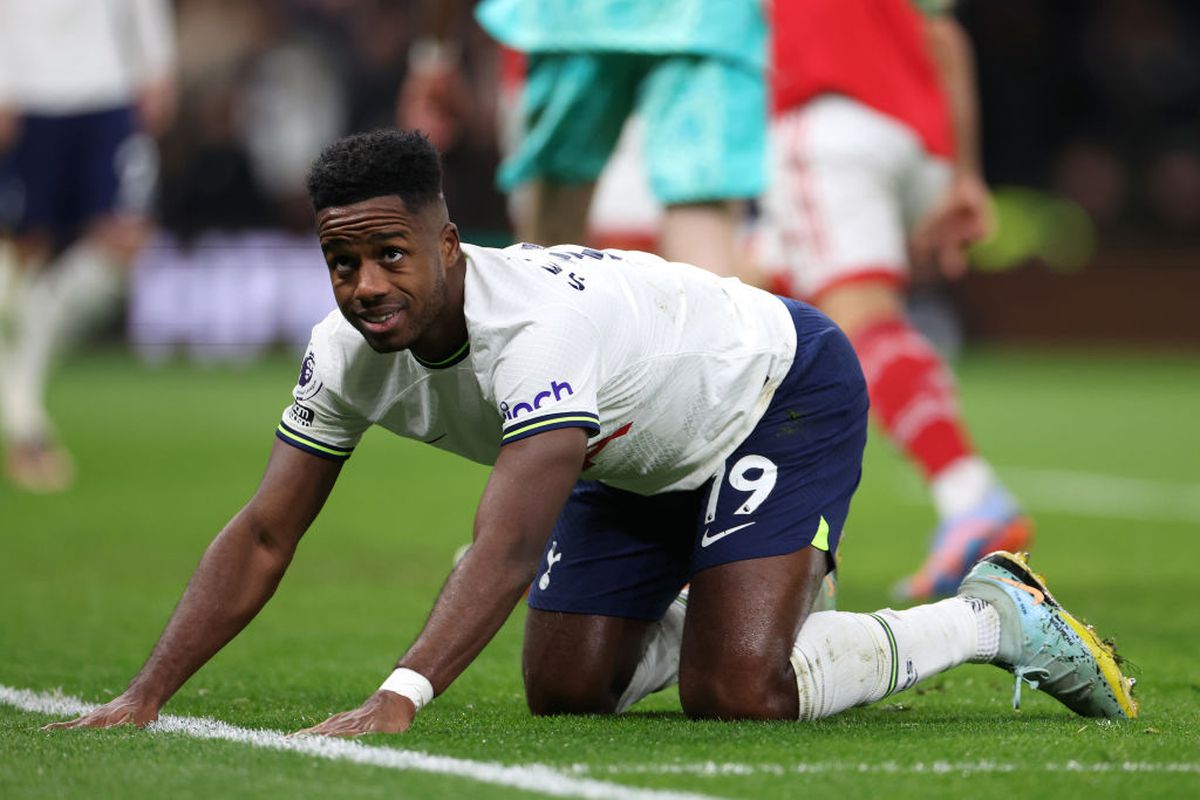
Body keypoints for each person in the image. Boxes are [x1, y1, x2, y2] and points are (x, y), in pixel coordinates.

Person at [45, 131, 1135, 737]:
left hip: (772, 386)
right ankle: (751, 592)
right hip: (628, 441)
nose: (367, 285)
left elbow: (507, 542)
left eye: (391, 255)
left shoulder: (536, 335)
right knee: (568, 689)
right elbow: (268, 531)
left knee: (738, 690)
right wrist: (145, 693)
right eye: (343, 261)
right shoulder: (343, 353)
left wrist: (398, 695)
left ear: (448, 243)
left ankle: (991, 617)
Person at [757, 0, 1031, 600]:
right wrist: (963, 172)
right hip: (913, 135)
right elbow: (944, 31)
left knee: (857, 324)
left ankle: (970, 495)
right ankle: (767, 538)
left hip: (824, 116)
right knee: (763, 293)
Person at [402, 0, 766, 276]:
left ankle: (540, 367)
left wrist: (435, 51)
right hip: (703, 20)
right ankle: (717, 370)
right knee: (700, 219)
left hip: (573, 19)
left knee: (551, 236)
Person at [0, 0, 176, 491]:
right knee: (24, 254)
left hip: (107, 87)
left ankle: (22, 407)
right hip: (28, 93)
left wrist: (157, 65)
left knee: (123, 247)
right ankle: (25, 423)